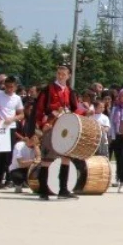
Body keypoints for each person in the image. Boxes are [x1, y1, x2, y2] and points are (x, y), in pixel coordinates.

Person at [32, 65, 82, 201]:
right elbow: (39, 109)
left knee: (66, 157)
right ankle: (43, 190)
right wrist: (42, 125)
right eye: (59, 74)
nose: (61, 76)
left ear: (68, 76)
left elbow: (75, 109)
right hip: (51, 125)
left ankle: (63, 189)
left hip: (65, 128)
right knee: (47, 158)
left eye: (63, 74)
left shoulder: (70, 91)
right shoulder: (48, 90)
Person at [0, 75, 24, 188]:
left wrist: (12, 119)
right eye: (7, 86)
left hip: (10, 127)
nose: (9, 89)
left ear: (15, 87)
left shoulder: (17, 98)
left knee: (7, 156)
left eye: (11, 87)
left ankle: (6, 180)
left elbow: (21, 114)